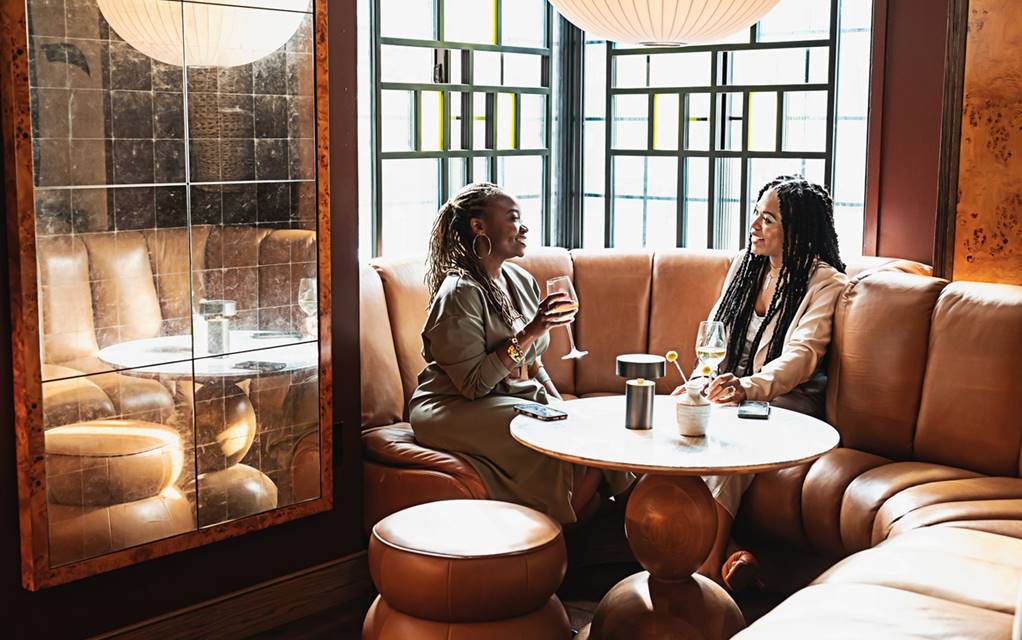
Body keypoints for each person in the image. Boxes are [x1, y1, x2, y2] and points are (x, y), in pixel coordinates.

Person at [409, 182, 633, 524]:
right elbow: (473, 384)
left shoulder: (519, 279)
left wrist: (559, 402)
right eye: (514, 218)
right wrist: (532, 330)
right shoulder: (460, 293)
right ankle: (573, 525)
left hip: (506, 395)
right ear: (478, 227)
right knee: (547, 432)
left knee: (584, 423)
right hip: (453, 405)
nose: (524, 227)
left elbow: (533, 363)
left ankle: (638, 518)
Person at [676, 175, 848, 591]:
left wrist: (747, 388)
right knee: (680, 419)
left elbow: (801, 357)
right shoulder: (745, 265)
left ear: (797, 230)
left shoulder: (825, 282)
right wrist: (701, 383)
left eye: (767, 219)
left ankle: (705, 571)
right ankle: (730, 554)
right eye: (756, 213)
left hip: (788, 402)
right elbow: (713, 338)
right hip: (734, 393)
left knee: (729, 438)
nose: (754, 224)